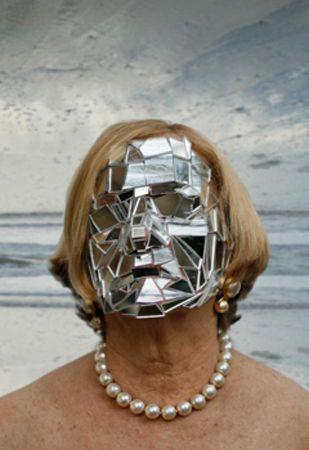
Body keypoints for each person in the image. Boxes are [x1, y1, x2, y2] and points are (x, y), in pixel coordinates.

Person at [0, 119, 308, 449]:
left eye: (172, 205)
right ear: (83, 254)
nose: (140, 234)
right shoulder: (15, 429)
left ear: (229, 243)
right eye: (112, 211)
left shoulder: (297, 425)